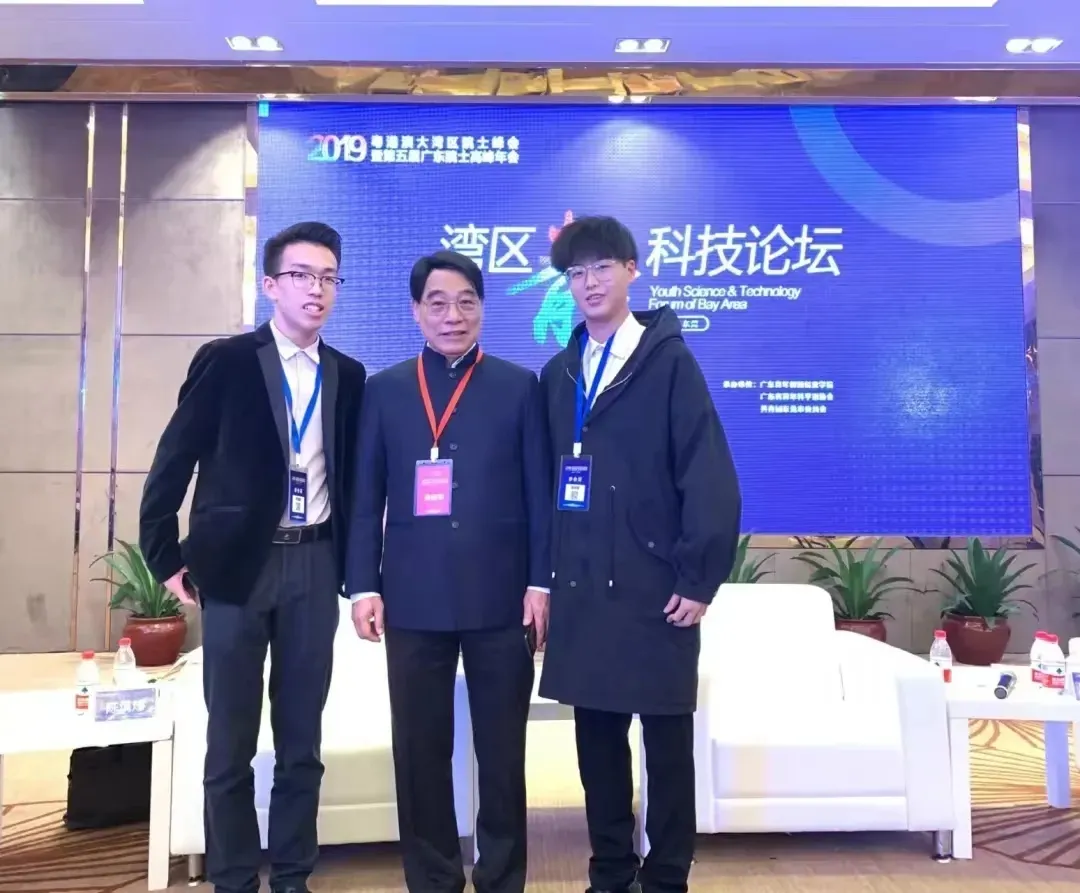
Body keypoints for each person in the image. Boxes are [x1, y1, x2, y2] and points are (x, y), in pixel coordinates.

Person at [139, 222, 367, 893]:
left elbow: (355, 480)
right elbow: (174, 459)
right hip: (239, 567)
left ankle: (292, 875)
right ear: (271, 284)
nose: (316, 289)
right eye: (301, 275)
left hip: (315, 565)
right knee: (230, 741)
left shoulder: (348, 375)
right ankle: (234, 878)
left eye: (328, 277)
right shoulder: (228, 360)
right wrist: (164, 555)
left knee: (302, 741)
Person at [538, 216, 742, 893]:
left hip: (658, 588)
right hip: (582, 588)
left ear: (632, 269)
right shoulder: (560, 373)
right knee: (596, 745)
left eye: (602, 267)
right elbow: (542, 486)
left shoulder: (669, 362)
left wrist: (699, 576)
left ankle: (667, 875)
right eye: (576, 272)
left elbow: (708, 473)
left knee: (666, 745)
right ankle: (609, 871)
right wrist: (543, 579)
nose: (589, 283)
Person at [347, 250, 551, 893]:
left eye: (466, 301)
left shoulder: (520, 387)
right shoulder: (384, 390)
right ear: (416, 311)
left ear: (482, 308)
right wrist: (364, 584)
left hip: (501, 598)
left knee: (502, 751)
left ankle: (501, 877)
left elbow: (540, 494)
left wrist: (540, 582)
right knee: (419, 750)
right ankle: (433, 877)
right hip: (413, 597)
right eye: (437, 302)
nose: (453, 315)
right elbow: (364, 498)